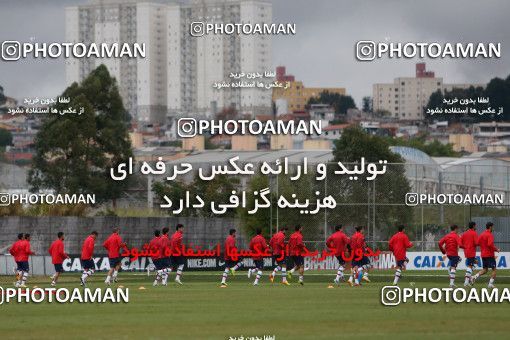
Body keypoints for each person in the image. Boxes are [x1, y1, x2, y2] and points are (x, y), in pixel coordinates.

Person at [472, 222, 500, 288]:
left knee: (485, 270)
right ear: (490, 227)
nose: (493, 228)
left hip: (483, 255)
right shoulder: (489, 235)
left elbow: (477, 243)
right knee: (494, 269)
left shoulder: (481, 234)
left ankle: (474, 277)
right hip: (489, 255)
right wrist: (496, 249)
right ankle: (490, 284)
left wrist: (483, 246)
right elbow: (490, 244)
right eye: (492, 227)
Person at [460, 222, 479, 287]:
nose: (476, 227)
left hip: (467, 251)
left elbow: (460, 243)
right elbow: (476, 243)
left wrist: (465, 247)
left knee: (476, 262)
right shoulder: (474, 233)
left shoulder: (464, 233)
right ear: (473, 226)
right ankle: (466, 282)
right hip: (471, 251)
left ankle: (469, 278)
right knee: (469, 266)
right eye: (475, 226)